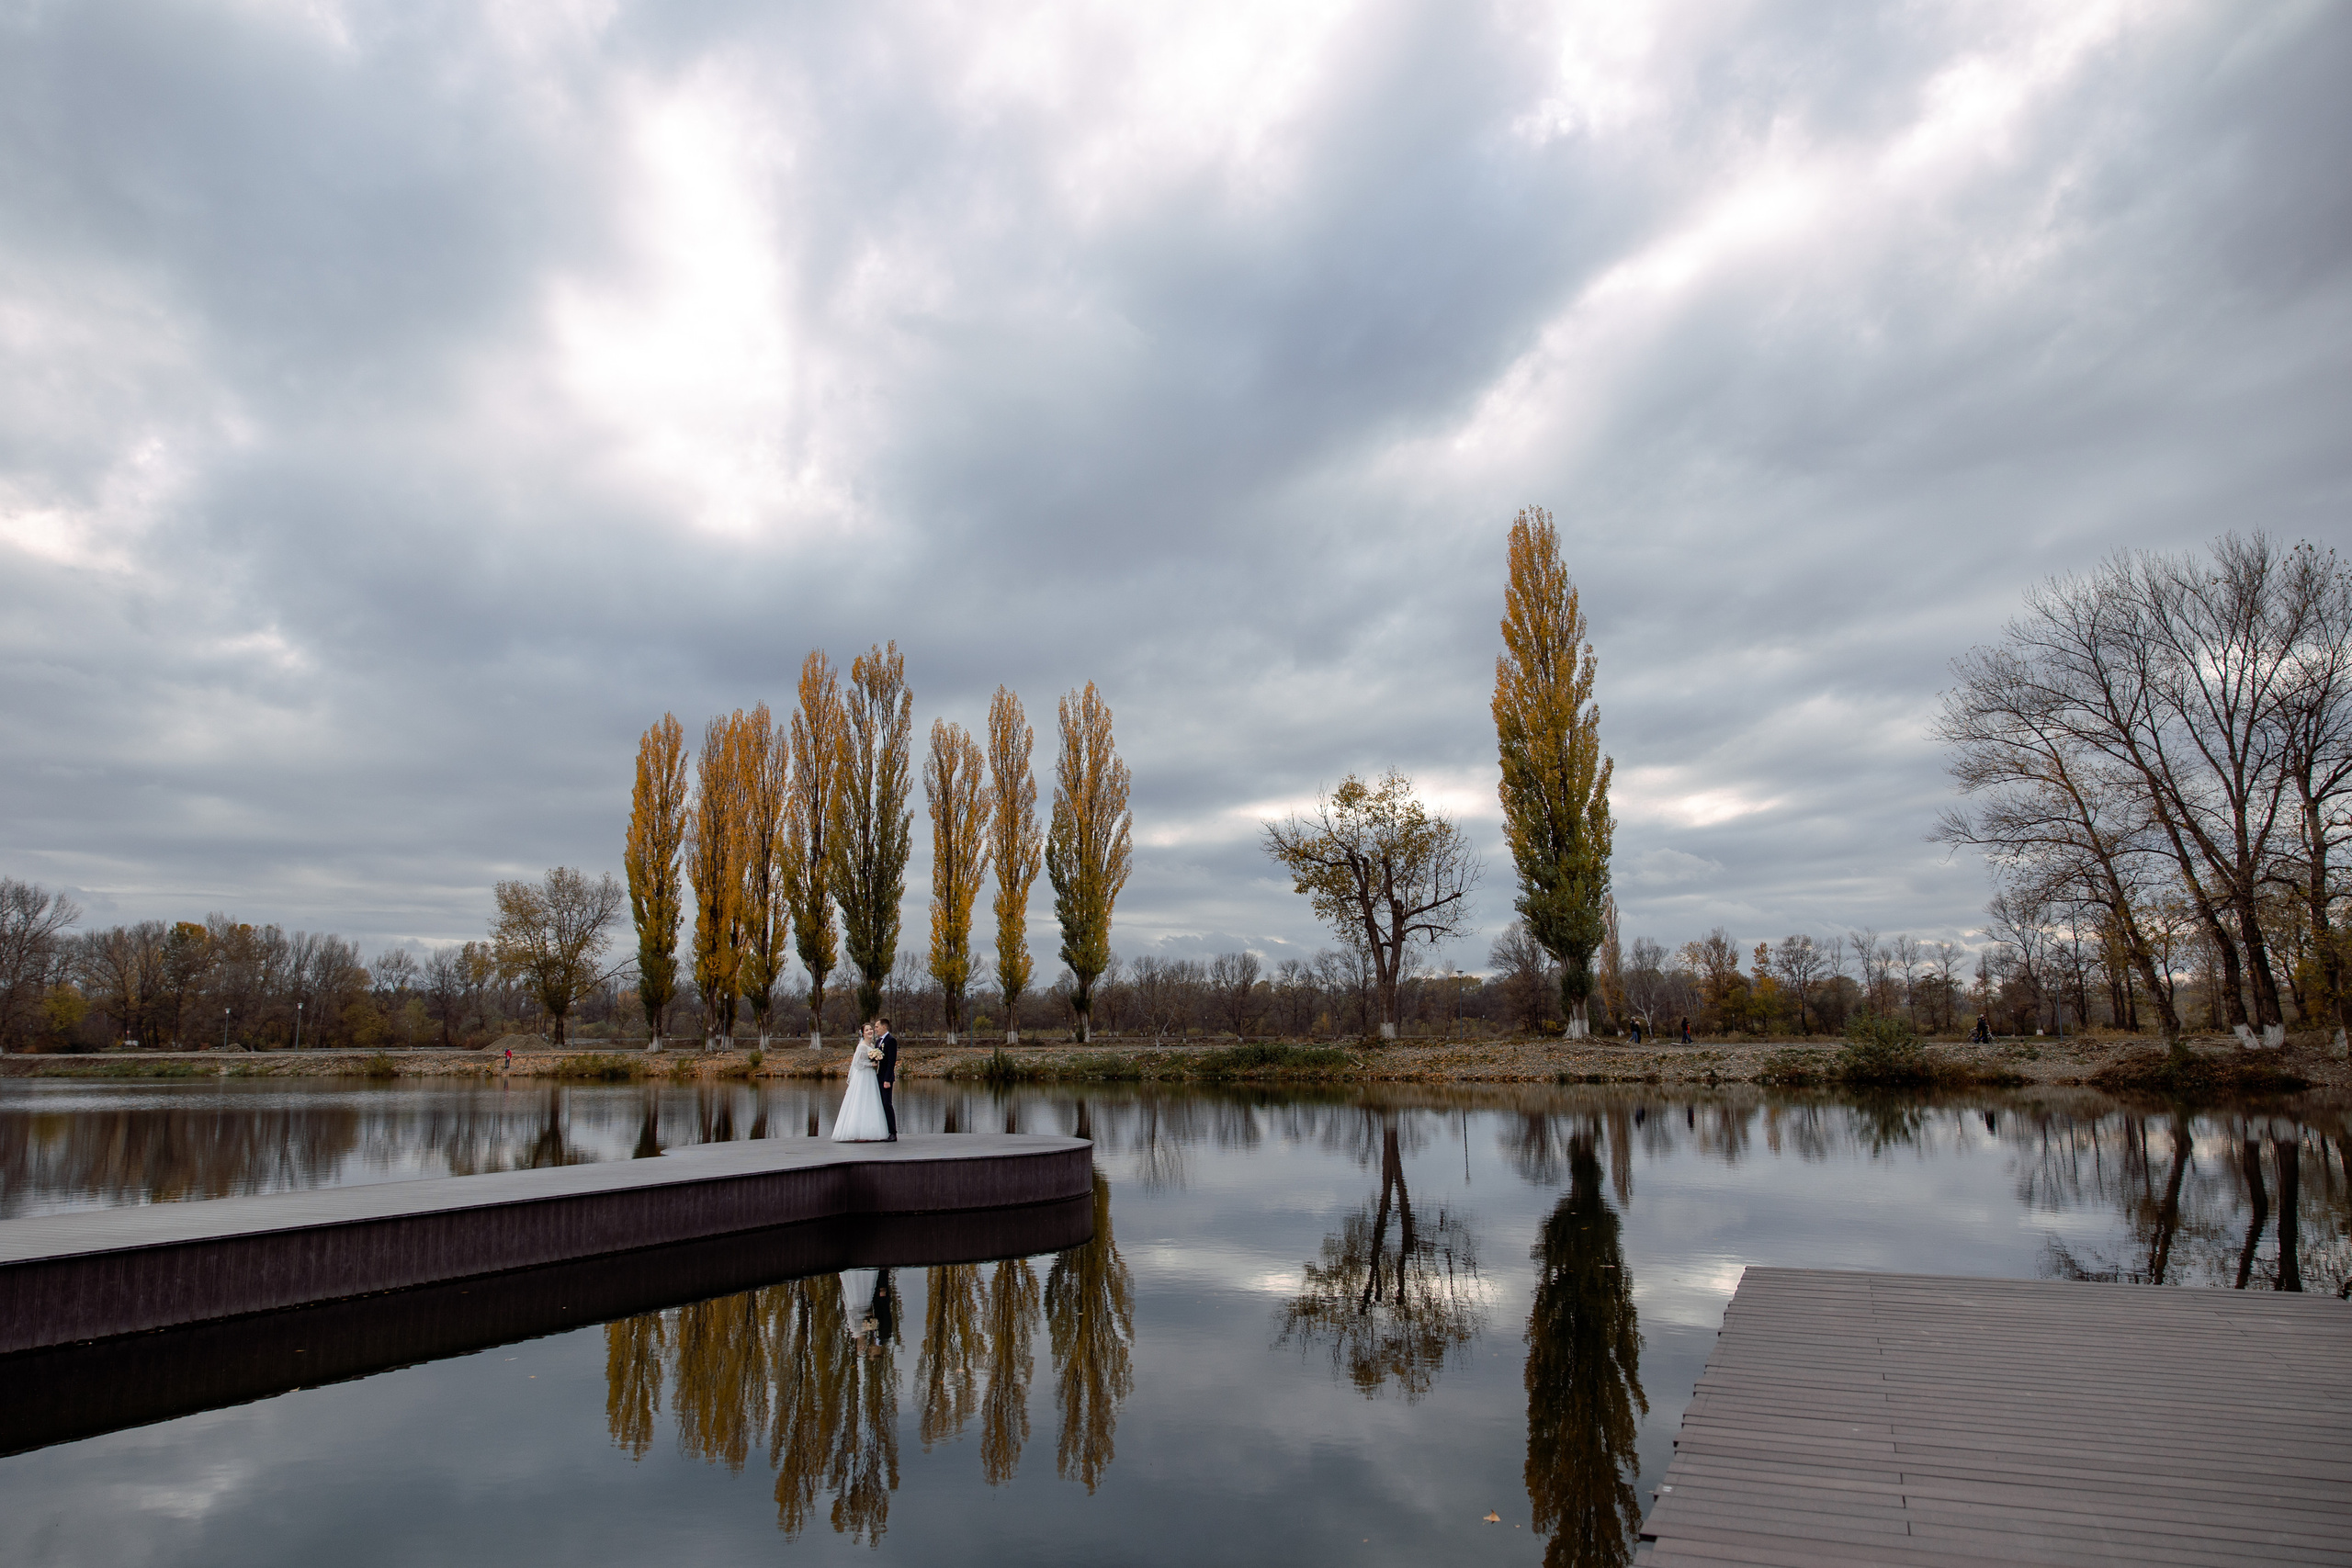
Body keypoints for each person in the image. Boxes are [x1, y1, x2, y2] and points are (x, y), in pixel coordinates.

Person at [830, 1021, 891, 1142]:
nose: (870, 1031)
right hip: (863, 1076)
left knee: (870, 1101)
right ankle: (857, 1131)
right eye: (867, 1030)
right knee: (860, 1101)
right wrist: (871, 1064)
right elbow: (857, 1063)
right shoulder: (862, 1046)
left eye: (871, 1029)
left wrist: (876, 1062)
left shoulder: (874, 1045)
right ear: (862, 1033)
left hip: (871, 1077)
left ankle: (869, 1131)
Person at [874, 1016, 899, 1142]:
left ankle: (893, 1132)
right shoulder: (878, 1041)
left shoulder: (891, 1040)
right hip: (878, 1077)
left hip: (886, 1078)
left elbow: (891, 1062)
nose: (875, 1029)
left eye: (877, 1027)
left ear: (884, 1027)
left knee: (887, 1104)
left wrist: (887, 1080)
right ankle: (883, 1130)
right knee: (880, 1104)